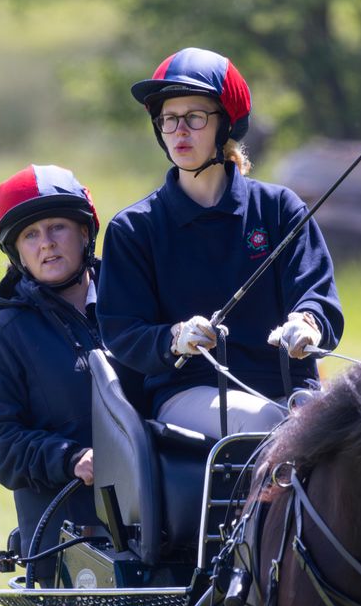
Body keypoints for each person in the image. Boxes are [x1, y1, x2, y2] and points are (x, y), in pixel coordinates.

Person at [98, 47, 344, 439]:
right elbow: (122, 330)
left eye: (194, 117)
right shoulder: (134, 228)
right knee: (268, 423)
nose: (180, 130)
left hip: (294, 388)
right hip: (188, 392)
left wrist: (308, 323)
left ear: (224, 126)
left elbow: (317, 294)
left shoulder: (280, 208)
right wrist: (173, 338)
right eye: (169, 119)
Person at [0, 163, 102, 582]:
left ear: (84, 233)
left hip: (171, 530)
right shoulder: (1, 335)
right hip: (68, 544)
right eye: (31, 235)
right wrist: (70, 459)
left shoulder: (139, 310)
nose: (47, 245)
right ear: (16, 253)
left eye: (57, 227)